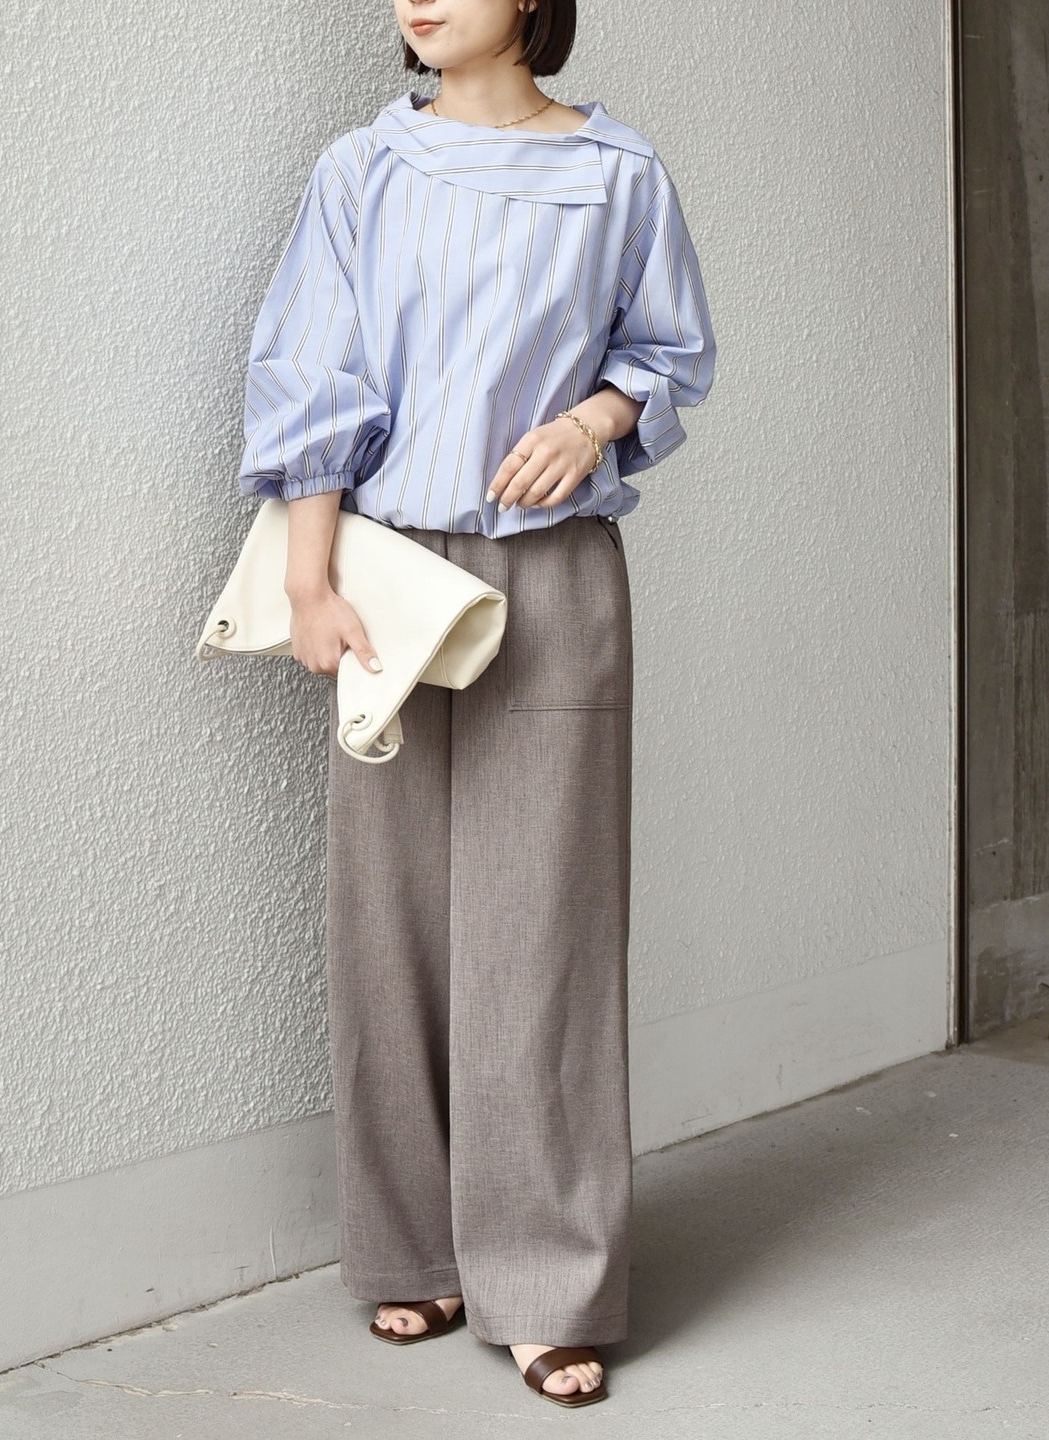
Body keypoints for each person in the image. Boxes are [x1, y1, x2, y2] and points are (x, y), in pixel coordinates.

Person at [233, 0, 716, 1409]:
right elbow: (313, 371)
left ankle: (547, 1286)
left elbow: (665, 350)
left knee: (546, 934)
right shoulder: (361, 171)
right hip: (387, 572)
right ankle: (411, 1251)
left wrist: (593, 421)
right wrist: (310, 580)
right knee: (387, 920)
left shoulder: (618, 173)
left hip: (553, 580)